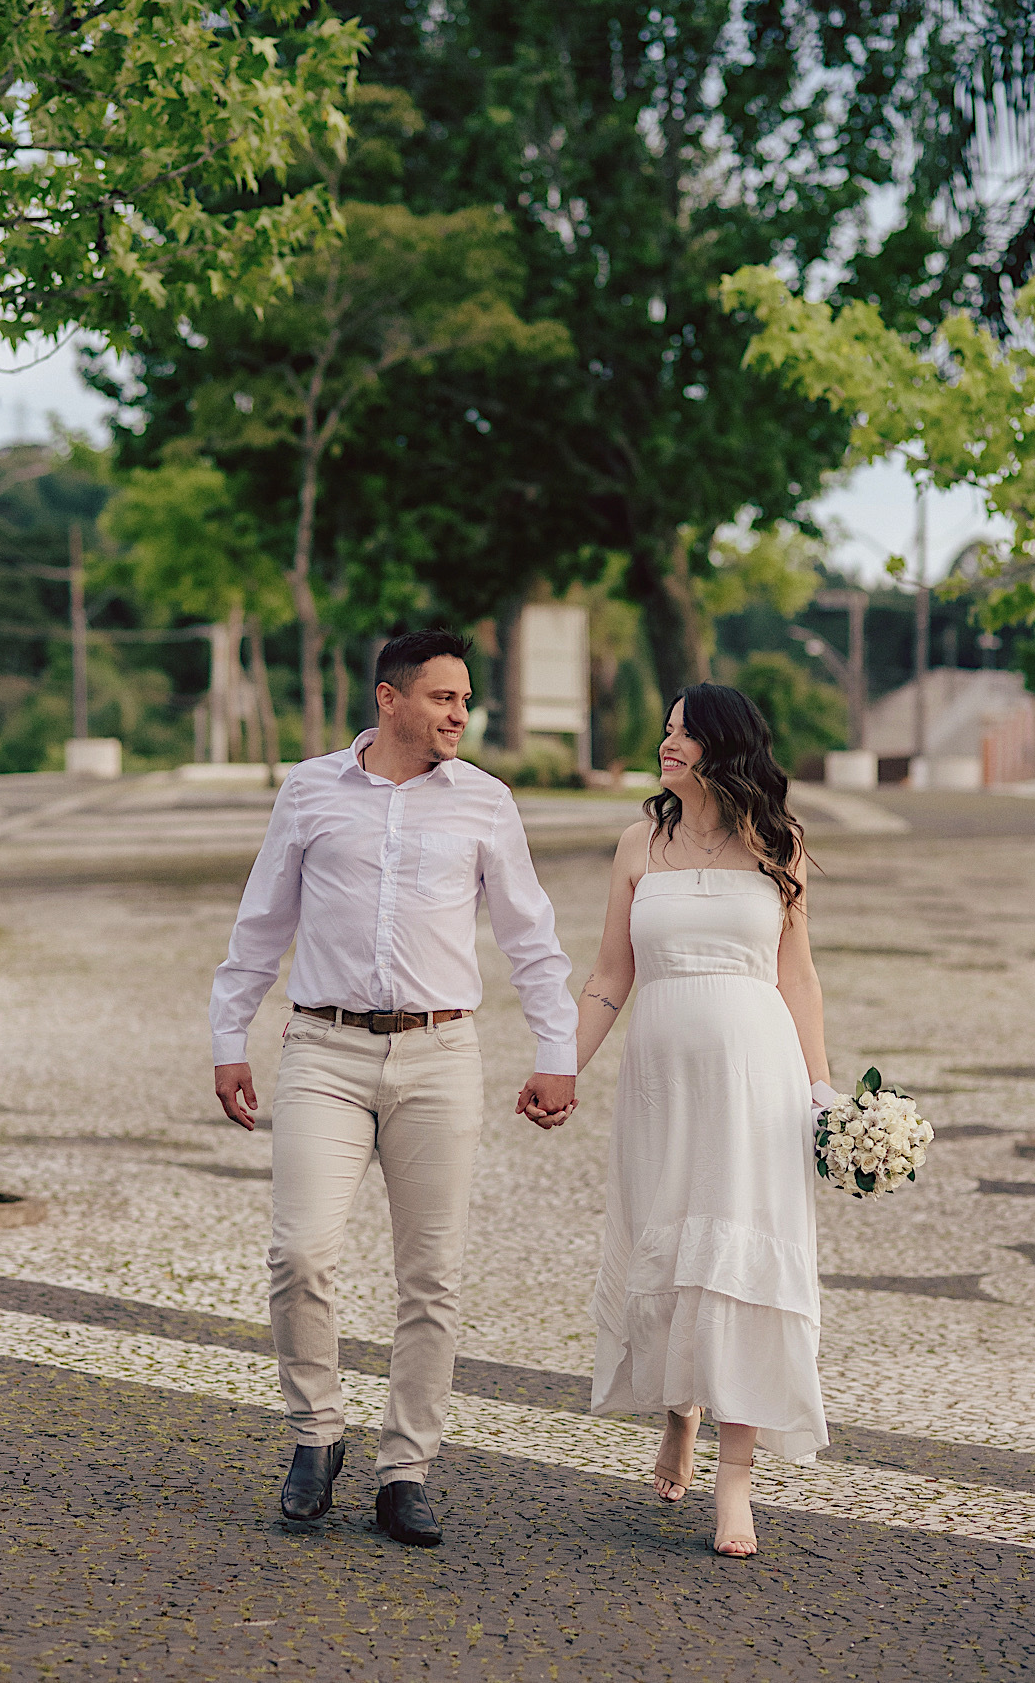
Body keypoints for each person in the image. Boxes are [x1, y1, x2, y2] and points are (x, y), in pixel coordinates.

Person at [210, 630, 577, 1547]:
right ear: (390, 698)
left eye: (466, 700)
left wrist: (557, 1047)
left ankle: (405, 1468)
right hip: (322, 1051)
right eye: (444, 697)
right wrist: (229, 1036)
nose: (460, 713)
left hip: (441, 1055)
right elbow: (262, 921)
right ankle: (315, 1435)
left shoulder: (487, 803)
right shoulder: (309, 791)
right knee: (299, 1253)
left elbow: (530, 936)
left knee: (431, 1276)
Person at [575, 684, 835, 1558]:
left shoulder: (778, 843)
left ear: (723, 747)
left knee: (741, 1258)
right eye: (666, 728)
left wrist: (825, 1095)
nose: (666, 741)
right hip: (661, 1079)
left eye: (683, 731)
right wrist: (559, 1065)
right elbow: (611, 975)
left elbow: (797, 978)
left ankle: (736, 1481)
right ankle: (678, 1409)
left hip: (758, 1078)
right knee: (675, 1244)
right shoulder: (637, 844)